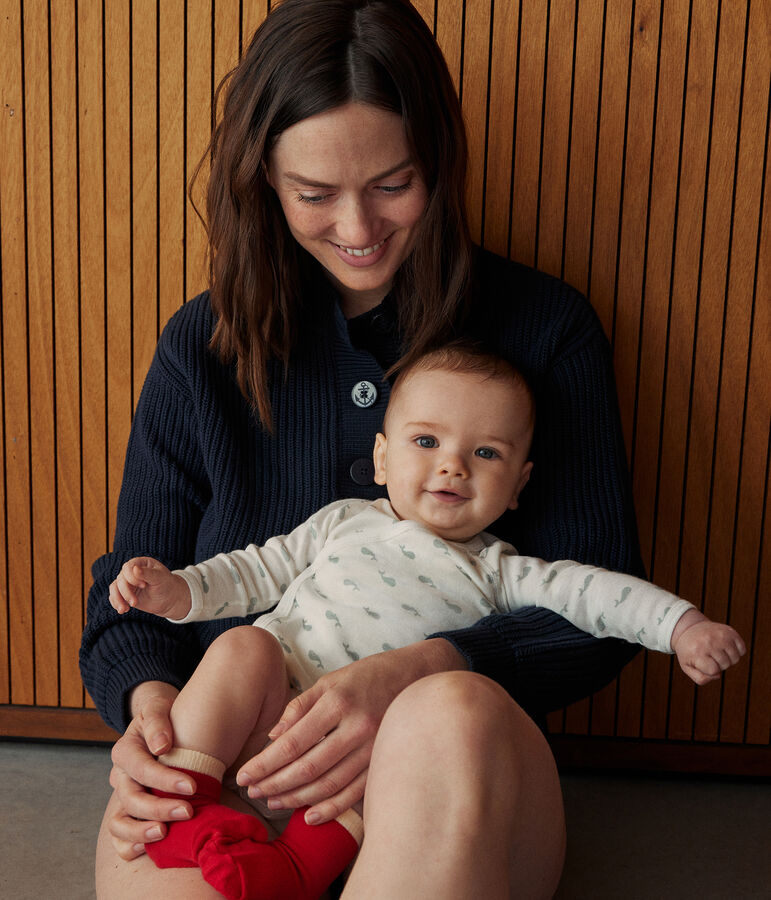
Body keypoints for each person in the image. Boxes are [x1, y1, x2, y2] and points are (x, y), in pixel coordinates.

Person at [80, 1, 655, 896]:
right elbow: (134, 585)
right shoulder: (203, 346)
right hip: (242, 765)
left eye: (393, 183)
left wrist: (426, 666)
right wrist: (150, 710)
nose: (357, 225)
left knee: (447, 710)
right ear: (263, 179)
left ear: (439, 161)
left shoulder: (545, 330)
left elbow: (599, 597)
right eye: (314, 194)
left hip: (449, 769)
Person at [107, 346, 745, 900]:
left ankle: (297, 870)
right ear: (381, 458)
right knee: (243, 646)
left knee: (400, 746)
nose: (453, 466)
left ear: (518, 485)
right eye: (426, 441)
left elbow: (599, 594)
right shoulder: (344, 521)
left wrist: (681, 625)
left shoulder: (502, 571)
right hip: (264, 722)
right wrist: (176, 591)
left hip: (360, 767)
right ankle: (180, 799)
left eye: (486, 452)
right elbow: (252, 573)